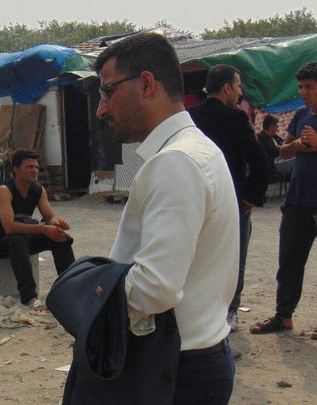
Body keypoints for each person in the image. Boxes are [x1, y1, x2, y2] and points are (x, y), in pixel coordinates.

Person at [94, 32, 238, 403]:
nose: (101, 109)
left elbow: (154, 288)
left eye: (108, 92)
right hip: (192, 359)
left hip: (175, 370)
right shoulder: (195, 150)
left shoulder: (175, 162)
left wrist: (91, 298)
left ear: (145, 83)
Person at [187, 64, 270, 332]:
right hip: (230, 199)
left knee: (198, 256)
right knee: (234, 259)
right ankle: (228, 314)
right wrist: (253, 197)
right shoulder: (237, 118)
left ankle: (197, 311)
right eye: (238, 86)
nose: (240, 92)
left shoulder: (189, 116)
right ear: (226, 88)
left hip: (195, 197)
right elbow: (259, 160)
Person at [250, 62, 317, 339]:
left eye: (309, 87)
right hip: (299, 201)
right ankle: (283, 316)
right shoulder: (301, 115)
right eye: (301, 87)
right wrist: (298, 146)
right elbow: (282, 152)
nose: (303, 92)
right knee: (289, 262)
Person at [0, 149, 75, 312]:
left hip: (21, 237)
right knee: (17, 238)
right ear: (16, 170)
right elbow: (9, 227)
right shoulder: (4, 191)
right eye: (30, 167)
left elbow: (49, 217)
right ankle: (29, 297)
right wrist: (43, 229)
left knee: (61, 239)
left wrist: (58, 224)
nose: (35, 171)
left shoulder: (38, 190)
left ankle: (71, 288)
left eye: (36, 167)